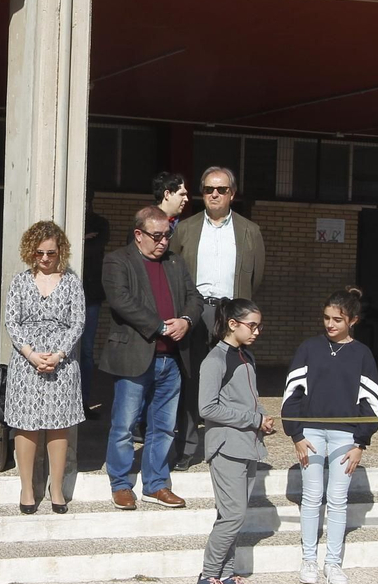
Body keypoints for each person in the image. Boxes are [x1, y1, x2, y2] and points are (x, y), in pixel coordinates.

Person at [100, 206, 200, 511]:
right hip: (135, 355)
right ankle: (120, 483)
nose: (163, 242)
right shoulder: (117, 260)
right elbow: (121, 301)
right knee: (125, 425)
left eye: (167, 235)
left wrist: (185, 320)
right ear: (138, 234)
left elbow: (194, 297)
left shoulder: (175, 261)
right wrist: (159, 326)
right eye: (156, 236)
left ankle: (156, 484)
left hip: (171, 360)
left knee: (165, 426)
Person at [280, 288, 378, 584]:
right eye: (326, 318)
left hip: (346, 435)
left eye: (337, 319)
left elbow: (371, 403)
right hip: (310, 433)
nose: (330, 324)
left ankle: (333, 563)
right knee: (311, 498)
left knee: (337, 500)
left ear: (353, 320)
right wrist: (296, 434)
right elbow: (291, 394)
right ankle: (308, 559)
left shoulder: (363, 354)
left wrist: (361, 442)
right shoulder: (309, 347)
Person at [167, 166, 266, 467]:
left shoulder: (250, 231)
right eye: (208, 189)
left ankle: (228, 445)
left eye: (221, 190)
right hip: (196, 310)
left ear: (232, 194)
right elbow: (174, 270)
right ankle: (185, 451)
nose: (214, 194)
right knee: (192, 378)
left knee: (232, 379)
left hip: (231, 313)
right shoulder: (186, 228)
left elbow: (257, 276)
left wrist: (240, 311)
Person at [195, 298, 275, 584]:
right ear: (232, 324)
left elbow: (248, 401)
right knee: (233, 515)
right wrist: (253, 419)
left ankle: (226, 576)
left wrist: (262, 418)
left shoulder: (245, 356)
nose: (256, 331)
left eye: (259, 326)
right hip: (226, 446)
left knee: (233, 516)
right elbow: (207, 407)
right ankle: (206, 576)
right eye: (251, 325)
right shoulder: (215, 360)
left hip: (248, 446)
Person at [3, 221, 85, 514]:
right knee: (26, 424)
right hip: (27, 361)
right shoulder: (20, 282)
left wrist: (59, 353)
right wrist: (30, 353)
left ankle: (56, 488)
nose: (46, 259)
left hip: (62, 361)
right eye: (40, 253)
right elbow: (12, 321)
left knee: (59, 424)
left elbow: (78, 321)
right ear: (31, 252)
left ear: (60, 251)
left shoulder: (72, 282)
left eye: (51, 253)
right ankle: (27, 487)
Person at [79, 193, 110, 416]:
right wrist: (83, 239)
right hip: (67, 295)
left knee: (87, 351)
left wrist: (77, 240)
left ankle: (83, 402)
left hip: (90, 295)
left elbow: (93, 249)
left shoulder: (100, 223)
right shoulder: (68, 220)